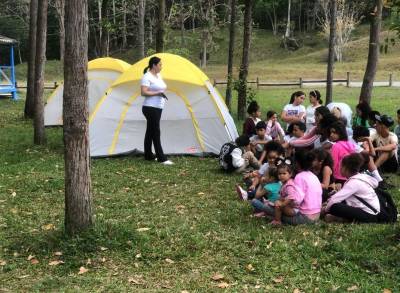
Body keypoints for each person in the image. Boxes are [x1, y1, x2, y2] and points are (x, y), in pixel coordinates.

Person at [323, 153, 380, 223]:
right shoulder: (361, 177)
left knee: (334, 207)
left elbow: (334, 200)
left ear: (345, 168)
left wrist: (324, 210)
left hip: (369, 216)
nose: (339, 168)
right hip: (372, 212)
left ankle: (346, 220)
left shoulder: (353, 182)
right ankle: (343, 219)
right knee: (336, 202)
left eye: (340, 166)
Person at [141, 56, 173, 165]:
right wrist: (157, 93)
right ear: (154, 65)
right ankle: (161, 157)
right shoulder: (147, 76)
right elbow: (143, 92)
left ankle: (148, 155)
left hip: (158, 107)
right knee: (156, 131)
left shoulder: (158, 75)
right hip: (150, 108)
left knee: (150, 130)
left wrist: (160, 93)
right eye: (160, 65)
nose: (161, 67)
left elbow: (160, 87)